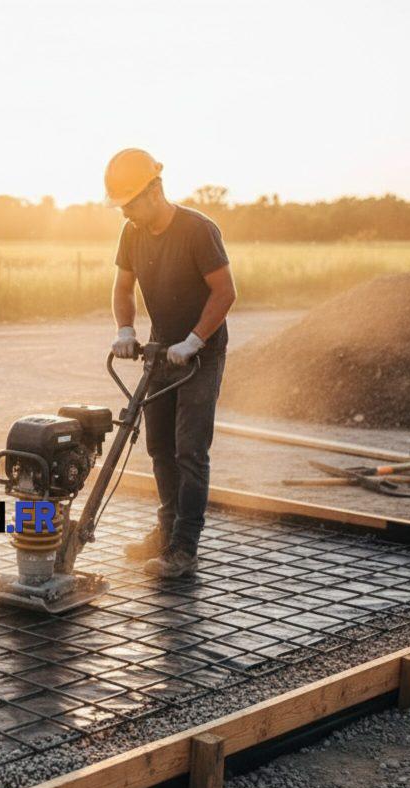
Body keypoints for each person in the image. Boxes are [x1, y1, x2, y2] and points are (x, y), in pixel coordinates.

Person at [105, 149, 237, 579]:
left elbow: (224, 293)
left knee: (189, 451)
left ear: (155, 189)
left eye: (130, 202)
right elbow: (123, 288)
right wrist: (126, 331)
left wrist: (195, 341)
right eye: (121, 205)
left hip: (201, 352)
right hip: (161, 350)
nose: (125, 211)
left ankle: (184, 547)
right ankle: (164, 532)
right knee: (159, 446)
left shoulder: (198, 230)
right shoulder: (132, 233)